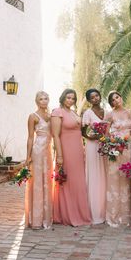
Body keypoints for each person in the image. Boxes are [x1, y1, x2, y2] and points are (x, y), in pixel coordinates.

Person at [51, 89, 91, 226]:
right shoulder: (57, 112)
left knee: (78, 182)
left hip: (78, 152)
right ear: (63, 98)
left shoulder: (73, 113)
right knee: (68, 182)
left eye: (73, 98)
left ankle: (79, 213)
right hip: (66, 151)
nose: (71, 100)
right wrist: (60, 155)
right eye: (68, 97)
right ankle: (67, 215)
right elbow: (55, 135)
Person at [25, 91, 53, 229]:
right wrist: (28, 157)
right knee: (37, 183)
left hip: (48, 152)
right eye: (41, 99)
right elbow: (30, 137)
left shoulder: (51, 116)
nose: (44, 101)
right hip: (37, 151)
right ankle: (36, 219)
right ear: (37, 101)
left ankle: (46, 217)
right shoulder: (33, 116)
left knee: (47, 182)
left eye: (46, 98)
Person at [106, 91, 131, 227]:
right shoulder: (110, 114)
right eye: (113, 100)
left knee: (125, 178)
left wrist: (128, 139)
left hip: (127, 149)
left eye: (117, 97)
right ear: (111, 103)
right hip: (115, 149)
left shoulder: (129, 113)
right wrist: (112, 143)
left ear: (121, 97)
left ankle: (126, 215)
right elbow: (105, 134)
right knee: (114, 180)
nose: (116, 100)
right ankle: (113, 214)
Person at [82, 88, 107, 224]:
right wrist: (91, 137)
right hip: (93, 146)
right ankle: (94, 212)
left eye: (97, 95)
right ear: (89, 100)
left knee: (104, 175)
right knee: (94, 175)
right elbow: (83, 131)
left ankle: (104, 210)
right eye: (92, 97)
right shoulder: (88, 113)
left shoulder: (106, 112)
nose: (95, 98)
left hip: (105, 146)